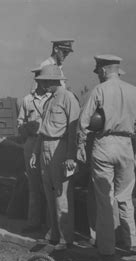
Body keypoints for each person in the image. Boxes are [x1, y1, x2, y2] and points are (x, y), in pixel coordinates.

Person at [79, 55, 136, 260]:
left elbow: (84, 122)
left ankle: (106, 247)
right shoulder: (134, 91)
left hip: (104, 143)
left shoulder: (100, 90)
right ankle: (132, 243)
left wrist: (81, 146)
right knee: (125, 197)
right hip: (127, 145)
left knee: (104, 198)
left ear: (103, 70)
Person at [30, 64, 80, 250]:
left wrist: (70, 156)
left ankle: (65, 239)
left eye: (43, 82)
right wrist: (36, 152)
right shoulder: (50, 100)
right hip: (45, 147)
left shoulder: (68, 98)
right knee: (49, 193)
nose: (41, 85)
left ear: (52, 81)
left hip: (61, 147)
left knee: (61, 194)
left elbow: (74, 129)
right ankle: (54, 233)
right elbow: (42, 131)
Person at [17, 67, 50, 233]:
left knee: (50, 184)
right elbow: (20, 123)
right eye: (41, 79)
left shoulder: (53, 98)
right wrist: (26, 129)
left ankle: (51, 226)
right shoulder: (27, 100)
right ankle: (34, 222)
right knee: (34, 184)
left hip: (48, 142)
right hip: (32, 141)